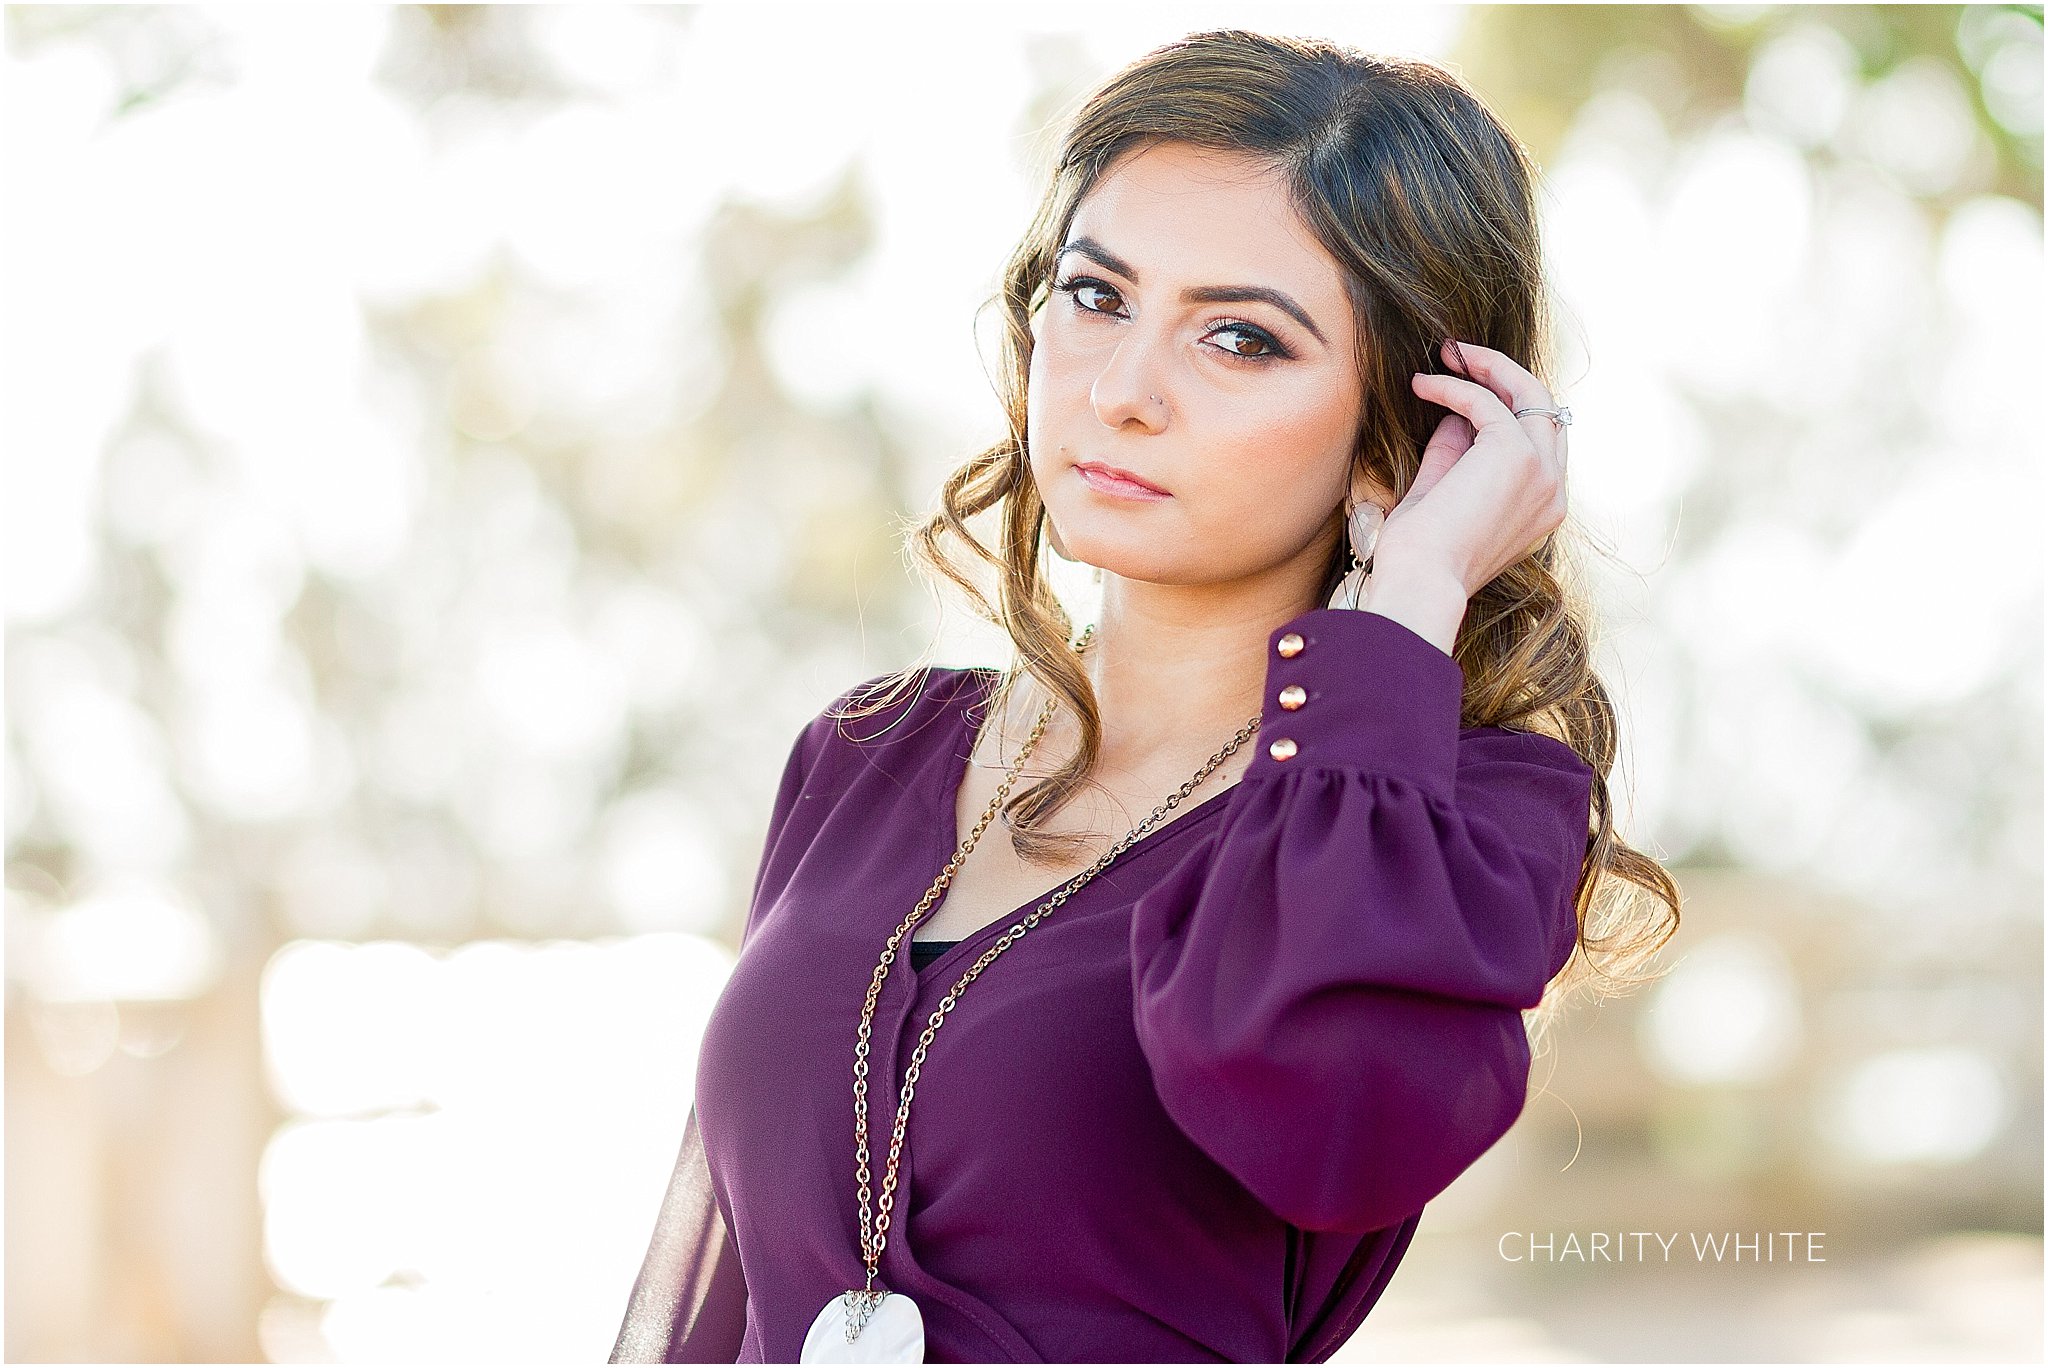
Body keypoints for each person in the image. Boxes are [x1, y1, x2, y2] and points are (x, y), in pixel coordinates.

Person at [612, 27, 1679, 1365]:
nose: (1122, 392)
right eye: (1098, 295)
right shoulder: (869, 754)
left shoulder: (1458, 819)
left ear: (1401, 428)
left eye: (1240, 339)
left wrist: (1410, 598)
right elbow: (719, 1299)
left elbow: (1328, 1120)